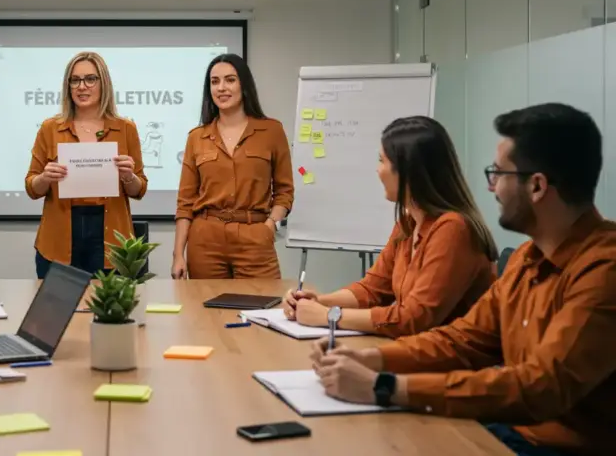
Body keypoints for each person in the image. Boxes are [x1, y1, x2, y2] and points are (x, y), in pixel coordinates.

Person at [310, 103, 615, 456]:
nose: (491, 188)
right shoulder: (526, 262)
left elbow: (540, 387)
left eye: (498, 174)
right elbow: (461, 341)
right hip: (509, 430)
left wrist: (385, 386)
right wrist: (373, 359)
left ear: (537, 186)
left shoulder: (604, 269)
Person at [282, 116, 498, 337]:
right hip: (418, 352)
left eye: (382, 160)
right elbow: (372, 290)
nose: (378, 170)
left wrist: (329, 316)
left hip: (453, 364)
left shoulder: (453, 230)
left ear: (408, 171)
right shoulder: (408, 224)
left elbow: (414, 319)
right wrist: (317, 302)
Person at [26, 51, 147, 278]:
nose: (82, 86)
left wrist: (129, 176)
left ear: (104, 84)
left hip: (110, 231)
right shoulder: (50, 128)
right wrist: (45, 177)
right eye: (75, 80)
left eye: (90, 79)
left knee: (108, 310)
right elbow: (32, 187)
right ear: (68, 86)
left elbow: (139, 190)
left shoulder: (125, 128)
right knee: (59, 310)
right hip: (60, 234)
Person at [172, 53, 293, 279]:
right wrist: (178, 254)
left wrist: (271, 225)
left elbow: (285, 191)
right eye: (214, 81)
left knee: (261, 310)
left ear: (243, 85)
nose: (221, 88)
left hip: (255, 238)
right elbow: (185, 202)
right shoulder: (196, 137)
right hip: (205, 241)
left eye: (230, 80)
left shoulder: (271, 131)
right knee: (206, 312)